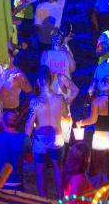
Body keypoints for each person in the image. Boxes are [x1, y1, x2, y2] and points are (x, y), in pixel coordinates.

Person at [25, 67, 69, 197]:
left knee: (40, 170)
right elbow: (66, 115)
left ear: (38, 82)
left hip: (40, 138)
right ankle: (61, 197)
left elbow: (29, 124)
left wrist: (26, 142)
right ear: (51, 80)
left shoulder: (35, 102)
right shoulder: (60, 98)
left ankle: (43, 199)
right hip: (57, 136)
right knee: (58, 169)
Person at [0, 109, 29, 191]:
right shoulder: (25, 138)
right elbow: (29, 159)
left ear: (2, 122)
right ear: (16, 122)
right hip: (18, 184)